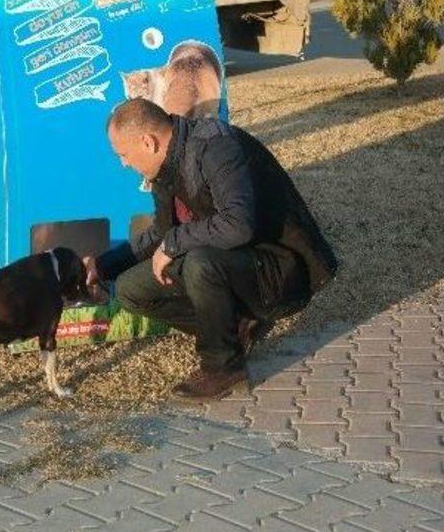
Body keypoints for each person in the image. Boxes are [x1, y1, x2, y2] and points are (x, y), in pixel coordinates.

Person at [84, 98, 337, 400]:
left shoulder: (216, 147)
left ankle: (223, 368)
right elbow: (162, 234)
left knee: (200, 263)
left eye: (123, 155)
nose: (123, 163)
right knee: (129, 289)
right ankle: (236, 326)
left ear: (148, 143)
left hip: (279, 267)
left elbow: (238, 224)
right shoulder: (166, 167)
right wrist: (103, 266)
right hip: (233, 263)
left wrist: (176, 242)